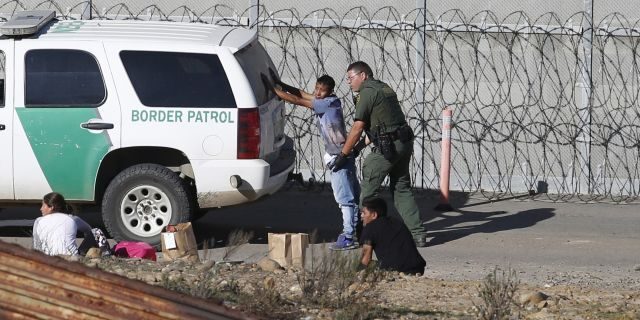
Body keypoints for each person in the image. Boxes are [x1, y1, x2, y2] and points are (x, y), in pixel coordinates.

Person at [331, 61, 428, 247]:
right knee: (401, 188)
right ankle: (418, 234)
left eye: (350, 78)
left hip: (389, 147)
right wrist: (358, 148)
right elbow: (378, 127)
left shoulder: (367, 92)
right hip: (403, 142)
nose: (348, 83)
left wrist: (343, 154)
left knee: (368, 192)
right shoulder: (384, 88)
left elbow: (358, 126)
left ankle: (365, 235)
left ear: (363, 76)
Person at [273, 75, 361, 250]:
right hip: (342, 154)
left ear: (330, 92)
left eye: (322, 90)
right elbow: (303, 94)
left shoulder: (327, 103)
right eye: (317, 88)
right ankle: (356, 231)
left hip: (340, 156)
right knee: (351, 196)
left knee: (344, 199)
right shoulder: (326, 100)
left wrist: (271, 89)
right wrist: (282, 85)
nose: (317, 93)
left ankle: (349, 236)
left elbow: (298, 100)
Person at [359, 197, 426, 274]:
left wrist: (357, 274)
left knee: (372, 267)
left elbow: (366, 258)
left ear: (374, 215)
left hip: (396, 271)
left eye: (364, 213)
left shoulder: (370, 228)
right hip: (417, 267)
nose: (361, 216)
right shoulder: (397, 222)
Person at [33, 192, 98, 256]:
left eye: (43, 205)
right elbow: (90, 230)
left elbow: (37, 246)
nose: (41, 209)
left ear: (51, 207)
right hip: (72, 259)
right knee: (96, 232)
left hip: (49, 259)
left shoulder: (38, 221)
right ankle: (105, 255)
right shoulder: (72, 218)